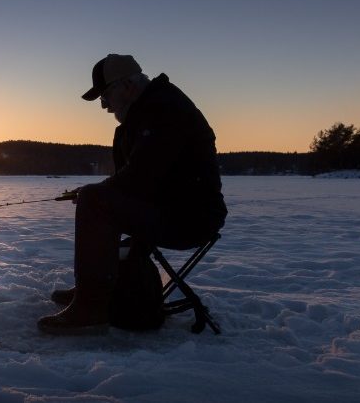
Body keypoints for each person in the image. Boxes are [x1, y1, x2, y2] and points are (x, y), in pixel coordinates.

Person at [37, 54, 227, 335]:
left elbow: (141, 176)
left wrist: (97, 194)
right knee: (96, 198)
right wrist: (101, 192)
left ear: (126, 86)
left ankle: (92, 304)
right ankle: (94, 289)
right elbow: (139, 178)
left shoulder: (165, 110)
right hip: (173, 209)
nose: (103, 105)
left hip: (191, 218)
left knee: (95, 200)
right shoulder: (145, 114)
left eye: (105, 96)